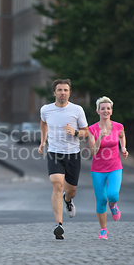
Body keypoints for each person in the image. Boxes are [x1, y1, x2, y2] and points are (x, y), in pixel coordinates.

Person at [38, 79, 88, 240]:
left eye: (65, 90)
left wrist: (75, 132)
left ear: (69, 92)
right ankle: (59, 225)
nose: (62, 93)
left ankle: (68, 200)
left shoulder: (77, 110)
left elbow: (85, 132)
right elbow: (43, 123)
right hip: (54, 153)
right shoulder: (46, 109)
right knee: (57, 184)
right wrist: (43, 141)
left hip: (73, 153)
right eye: (59, 90)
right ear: (54, 93)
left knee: (71, 190)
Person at [87, 96, 129, 240]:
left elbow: (122, 136)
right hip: (97, 169)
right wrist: (100, 137)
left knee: (112, 195)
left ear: (111, 111)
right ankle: (103, 229)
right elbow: (93, 152)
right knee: (100, 200)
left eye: (108, 108)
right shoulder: (91, 129)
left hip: (114, 167)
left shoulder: (118, 126)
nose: (105, 111)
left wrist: (123, 148)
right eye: (102, 108)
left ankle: (113, 205)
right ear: (98, 111)